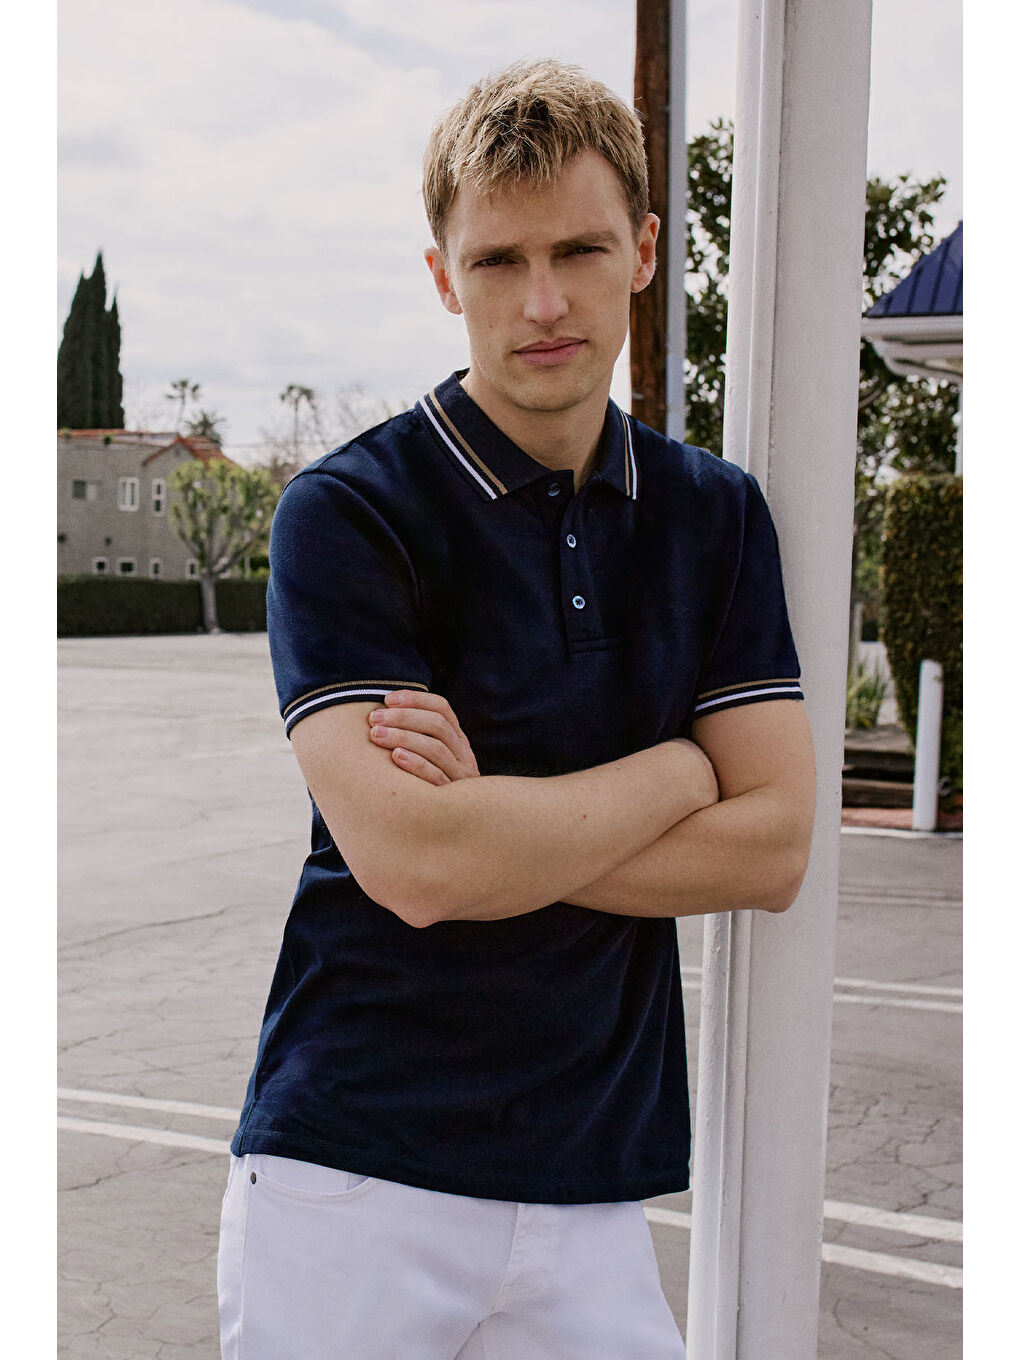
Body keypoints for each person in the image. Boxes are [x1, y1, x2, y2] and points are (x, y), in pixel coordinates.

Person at [218, 57, 816, 1360]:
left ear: (643, 251)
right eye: (497, 261)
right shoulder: (350, 513)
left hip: (593, 1186)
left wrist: (498, 824)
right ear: (444, 276)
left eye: (579, 251)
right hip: (355, 1172)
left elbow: (774, 848)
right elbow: (417, 866)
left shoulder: (714, 517)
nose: (543, 302)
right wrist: (677, 773)